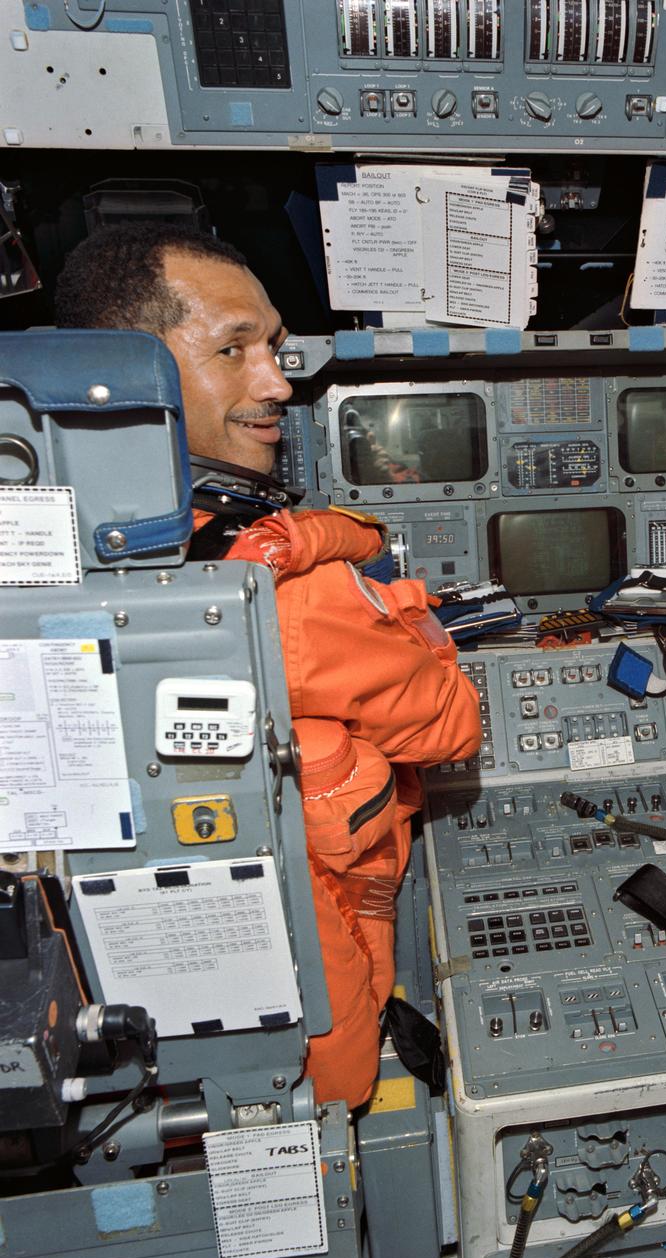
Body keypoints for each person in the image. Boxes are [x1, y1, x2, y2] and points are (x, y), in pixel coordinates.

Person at [55, 223, 483, 1105]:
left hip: (114, 1049)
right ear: (133, 374)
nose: (277, 381)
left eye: (276, 348)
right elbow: (452, 721)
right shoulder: (289, 592)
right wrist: (403, 612)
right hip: (315, 1042)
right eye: (234, 348)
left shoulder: (49, 569)